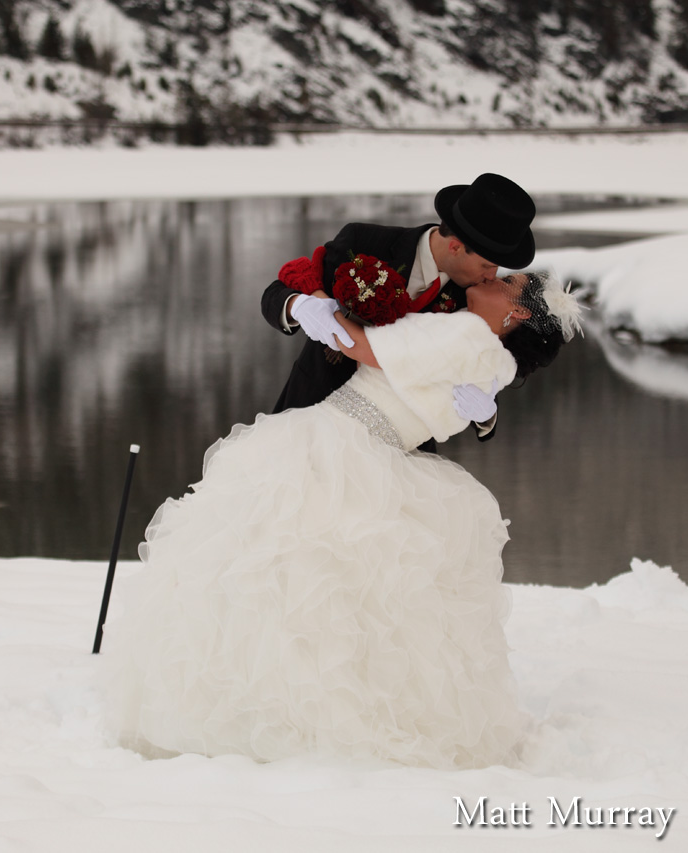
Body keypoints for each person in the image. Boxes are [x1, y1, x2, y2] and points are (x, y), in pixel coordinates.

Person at [102, 270, 581, 770]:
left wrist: (324, 312)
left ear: (519, 311)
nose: (495, 274)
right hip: (385, 461)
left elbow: (367, 349)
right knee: (349, 595)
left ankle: (252, 709)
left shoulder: (461, 333)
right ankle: (332, 715)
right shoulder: (495, 366)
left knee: (272, 571)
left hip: (335, 444)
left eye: (509, 281)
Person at [260, 173, 539, 443]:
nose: (492, 276)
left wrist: (486, 415)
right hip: (308, 412)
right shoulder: (365, 242)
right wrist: (296, 306)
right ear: (455, 247)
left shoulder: (476, 297)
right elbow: (275, 293)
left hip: (399, 454)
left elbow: (478, 368)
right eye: (488, 265)